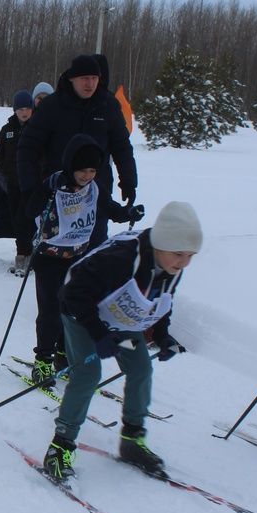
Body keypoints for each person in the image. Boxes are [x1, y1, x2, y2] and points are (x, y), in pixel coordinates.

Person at [42, 201, 201, 482]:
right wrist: (99, 335)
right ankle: (60, 446)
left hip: (121, 323)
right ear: (161, 244)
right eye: (178, 254)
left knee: (140, 368)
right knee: (87, 374)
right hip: (81, 316)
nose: (184, 262)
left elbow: (162, 300)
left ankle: (132, 441)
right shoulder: (121, 259)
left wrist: (162, 336)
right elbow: (72, 295)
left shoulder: (171, 265)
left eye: (190, 256)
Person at [25, 136, 145, 381]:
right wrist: (46, 195)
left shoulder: (94, 187)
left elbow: (109, 208)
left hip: (77, 257)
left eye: (92, 170)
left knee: (70, 310)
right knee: (50, 311)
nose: (87, 175)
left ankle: (62, 353)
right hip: (49, 256)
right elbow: (29, 210)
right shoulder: (54, 183)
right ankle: (42, 361)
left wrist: (128, 213)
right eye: (82, 170)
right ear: (71, 166)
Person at [17, 55, 137, 248]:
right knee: (55, 253)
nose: (90, 84)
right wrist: (30, 188)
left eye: (94, 78)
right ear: (72, 78)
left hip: (96, 191)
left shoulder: (108, 105)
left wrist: (129, 181)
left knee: (93, 252)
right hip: (58, 192)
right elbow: (28, 148)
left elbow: (122, 147)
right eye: (84, 78)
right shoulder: (52, 106)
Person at [0, 89, 35, 274]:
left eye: (27, 108)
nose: (24, 112)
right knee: (16, 220)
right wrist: (4, 172)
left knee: (28, 220)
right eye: (20, 108)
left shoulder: (37, 128)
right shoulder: (7, 130)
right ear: (14, 110)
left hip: (30, 184)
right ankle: (20, 255)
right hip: (12, 184)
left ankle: (29, 256)